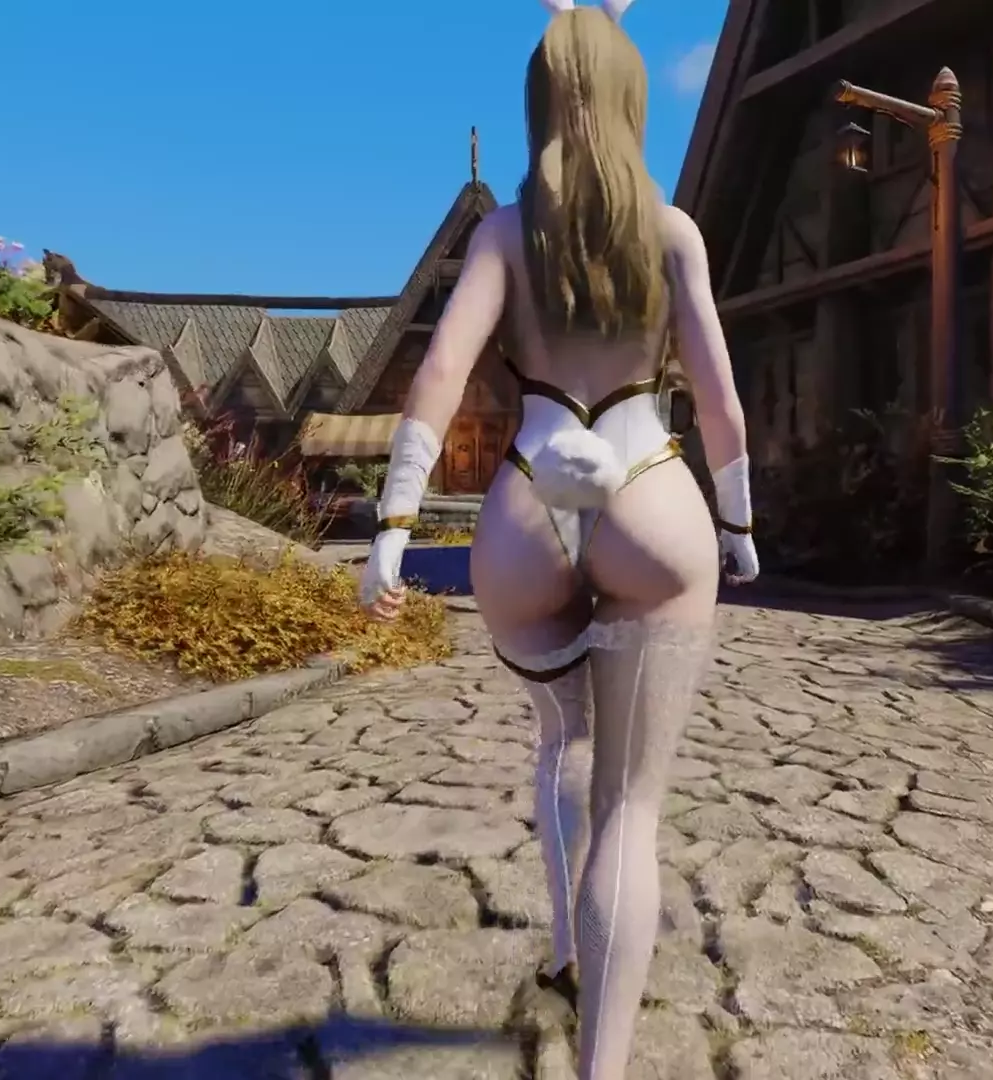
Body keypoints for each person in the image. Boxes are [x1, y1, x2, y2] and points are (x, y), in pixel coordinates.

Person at [357, 1, 758, 1074]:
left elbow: (439, 374)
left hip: (527, 506)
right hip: (652, 495)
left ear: (538, 100)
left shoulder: (503, 233)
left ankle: (571, 948)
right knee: (631, 806)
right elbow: (721, 402)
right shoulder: (673, 235)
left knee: (562, 744)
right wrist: (739, 522)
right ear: (633, 97)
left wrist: (393, 529)